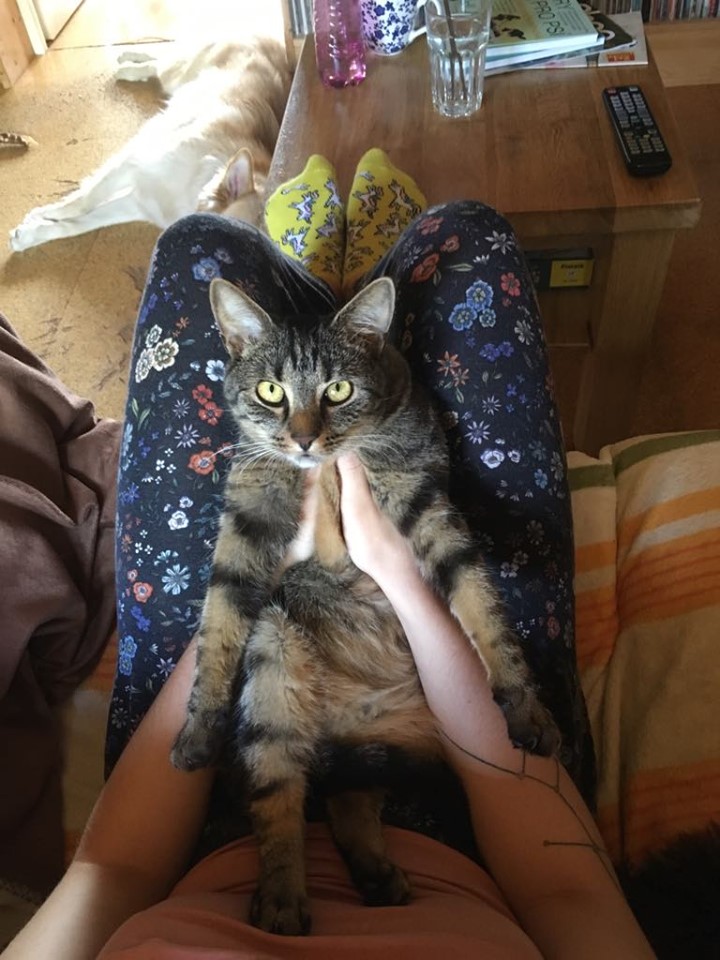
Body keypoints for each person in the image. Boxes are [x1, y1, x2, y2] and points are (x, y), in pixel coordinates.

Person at [2, 151, 655, 959]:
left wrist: (266, 576)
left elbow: (106, 868)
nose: (304, 433)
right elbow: (572, 889)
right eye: (282, 402)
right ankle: (351, 276)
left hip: (197, 827)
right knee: (464, 233)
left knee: (199, 243)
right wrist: (399, 573)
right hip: (460, 794)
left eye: (323, 403)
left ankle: (324, 280)